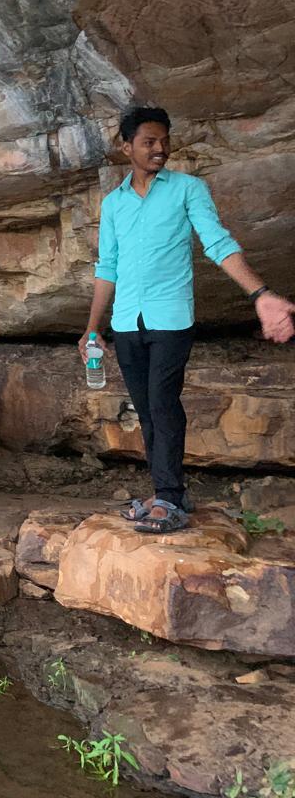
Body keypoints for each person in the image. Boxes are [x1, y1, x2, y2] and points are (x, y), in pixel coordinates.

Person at [80, 105, 295, 533]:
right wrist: (92, 327)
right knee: (145, 409)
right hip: (126, 323)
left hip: (170, 318)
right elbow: (108, 267)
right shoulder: (114, 203)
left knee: (163, 403)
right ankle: (165, 490)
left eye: (164, 141)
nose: (160, 149)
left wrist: (260, 293)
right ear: (127, 148)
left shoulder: (187, 189)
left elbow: (218, 243)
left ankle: (170, 498)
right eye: (149, 142)